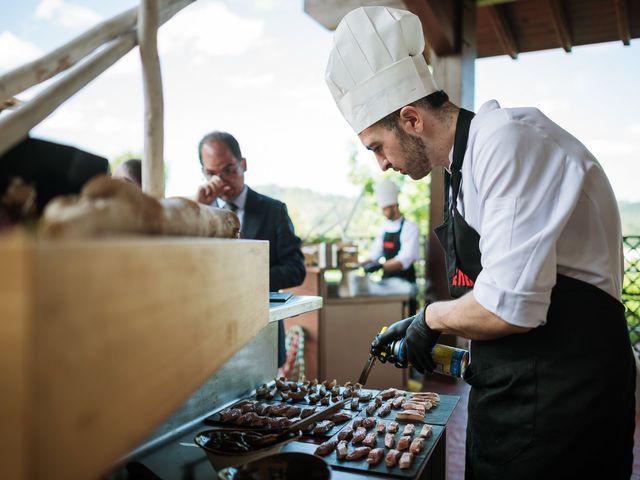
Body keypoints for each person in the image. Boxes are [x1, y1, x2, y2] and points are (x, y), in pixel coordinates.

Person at [325, 6, 635, 479]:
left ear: (411, 119)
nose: (381, 165)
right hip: (508, 393)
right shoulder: (461, 171)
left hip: (567, 403)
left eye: (376, 147)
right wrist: (436, 334)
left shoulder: (507, 142)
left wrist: (428, 317)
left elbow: (507, 307)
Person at [195, 131, 306, 367]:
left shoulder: (274, 211)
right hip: (212, 336)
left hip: (262, 331)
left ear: (243, 164)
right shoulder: (199, 212)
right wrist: (196, 213)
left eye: (229, 170)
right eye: (211, 174)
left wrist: (247, 277)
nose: (222, 181)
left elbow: (296, 269)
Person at [362, 179, 420, 314]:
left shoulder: (410, 227)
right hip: (387, 283)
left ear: (394, 206)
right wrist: (361, 263)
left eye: (385, 209)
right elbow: (375, 254)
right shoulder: (384, 227)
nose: (383, 212)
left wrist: (381, 266)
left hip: (405, 283)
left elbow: (405, 258)